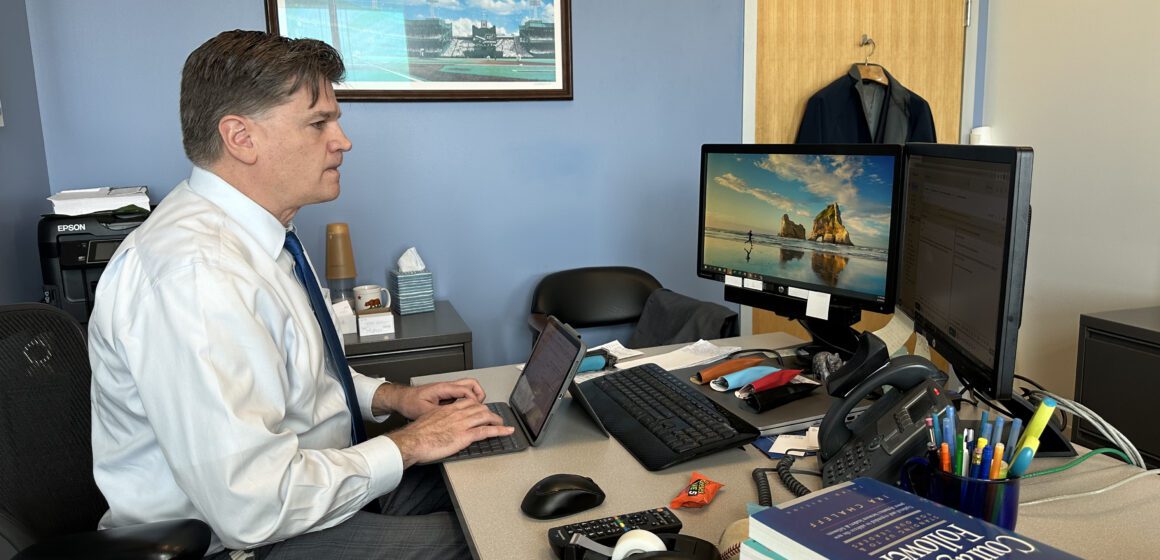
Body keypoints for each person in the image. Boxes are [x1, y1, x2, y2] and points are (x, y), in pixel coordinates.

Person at [87, 30, 513, 559]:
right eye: (319, 123)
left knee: (502, 476)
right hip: (247, 540)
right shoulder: (194, 277)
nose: (343, 140)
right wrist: (408, 443)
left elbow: (300, 375)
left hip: (316, 488)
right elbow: (253, 506)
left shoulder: (264, 234)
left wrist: (393, 399)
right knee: (505, 543)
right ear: (241, 138)